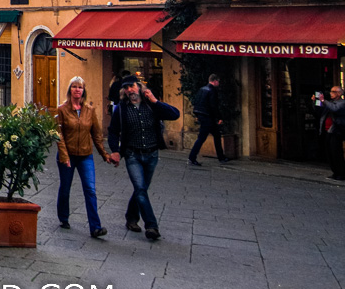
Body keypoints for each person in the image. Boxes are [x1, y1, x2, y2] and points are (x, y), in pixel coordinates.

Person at [107, 76, 180, 241]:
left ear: (139, 87)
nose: (129, 90)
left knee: (142, 189)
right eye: (126, 88)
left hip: (152, 154)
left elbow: (175, 114)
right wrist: (115, 151)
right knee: (140, 188)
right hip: (132, 154)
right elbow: (112, 131)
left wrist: (155, 101)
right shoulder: (121, 109)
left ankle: (131, 218)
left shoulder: (151, 105)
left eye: (131, 86)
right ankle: (151, 225)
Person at [55, 76, 110, 238]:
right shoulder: (62, 110)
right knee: (65, 188)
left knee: (90, 190)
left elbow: (97, 135)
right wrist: (64, 156)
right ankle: (63, 217)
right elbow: (59, 135)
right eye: (74, 87)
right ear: (69, 90)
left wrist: (104, 154)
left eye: (80, 87)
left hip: (86, 155)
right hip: (68, 155)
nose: (77, 90)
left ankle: (95, 227)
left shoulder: (90, 111)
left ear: (84, 90)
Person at [189, 74, 228, 165]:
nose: (219, 83)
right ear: (215, 81)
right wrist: (219, 117)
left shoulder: (202, 89)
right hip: (208, 117)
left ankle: (221, 157)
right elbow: (214, 106)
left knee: (216, 135)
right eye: (218, 81)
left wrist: (197, 114)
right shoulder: (212, 91)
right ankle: (192, 157)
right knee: (202, 138)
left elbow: (196, 103)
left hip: (203, 116)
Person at [315, 85, 345, 181]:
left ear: (339, 94)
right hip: (328, 131)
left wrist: (324, 101)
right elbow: (320, 111)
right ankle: (335, 173)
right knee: (330, 153)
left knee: (337, 153)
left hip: (336, 131)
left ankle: (342, 174)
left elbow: (335, 109)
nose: (331, 93)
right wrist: (316, 101)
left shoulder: (342, 103)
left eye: (333, 91)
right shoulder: (330, 103)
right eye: (331, 91)